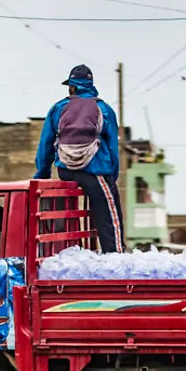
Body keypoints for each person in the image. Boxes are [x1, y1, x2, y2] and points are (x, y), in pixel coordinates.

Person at [34, 64, 124, 253]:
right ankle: (116, 255)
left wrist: (42, 172)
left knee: (65, 213)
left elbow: (45, 144)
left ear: (72, 87)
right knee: (109, 215)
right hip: (95, 170)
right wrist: (112, 176)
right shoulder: (103, 109)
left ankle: (61, 253)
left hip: (65, 170)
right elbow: (113, 149)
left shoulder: (58, 108)